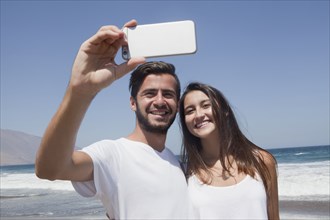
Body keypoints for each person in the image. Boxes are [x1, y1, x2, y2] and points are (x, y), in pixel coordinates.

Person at [35, 20, 193, 220]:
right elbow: (50, 169)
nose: (160, 101)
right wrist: (80, 91)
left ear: (177, 105)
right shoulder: (113, 154)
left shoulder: (178, 164)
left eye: (168, 94)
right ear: (133, 103)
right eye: (150, 93)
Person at [179, 82, 280, 220]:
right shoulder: (185, 173)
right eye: (190, 111)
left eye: (206, 105)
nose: (198, 115)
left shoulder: (262, 161)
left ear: (225, 110)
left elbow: (274, 217)